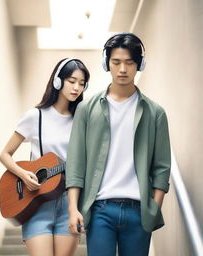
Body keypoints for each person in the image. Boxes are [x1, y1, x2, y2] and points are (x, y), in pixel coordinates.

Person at [66, 33, 171, 256]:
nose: (122, 69)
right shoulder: (87, 109)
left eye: (129, 62)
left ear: (139, 64)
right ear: (107, 64)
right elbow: (76, 163)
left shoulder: (156, 114)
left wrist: (154, 208)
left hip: (138, 211)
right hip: (100, 210)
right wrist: (73, 207)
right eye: (116, 62)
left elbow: (162, 167)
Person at [0, 58, 90, 256]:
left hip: (70, 203)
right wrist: (24, 175)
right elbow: (5, 155)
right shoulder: (36, 116)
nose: (76, 87)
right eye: (72, 81)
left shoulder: (82, 120)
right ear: (58, 81)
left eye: (81, 83)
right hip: (37, 202)